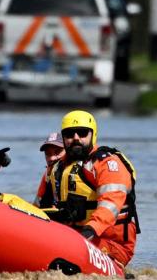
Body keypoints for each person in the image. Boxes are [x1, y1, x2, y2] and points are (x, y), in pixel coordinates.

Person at [34, 110, 139, 269]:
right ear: (64, 138)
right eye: (69, 134)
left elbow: (110, 205)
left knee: (64, 247)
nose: (76, 138)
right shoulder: (55, 170)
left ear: (93, 134)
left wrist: (90, 230)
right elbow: (37, 209)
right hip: (73, 235)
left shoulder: (107, 164)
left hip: (111, 243)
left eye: (82, 133)